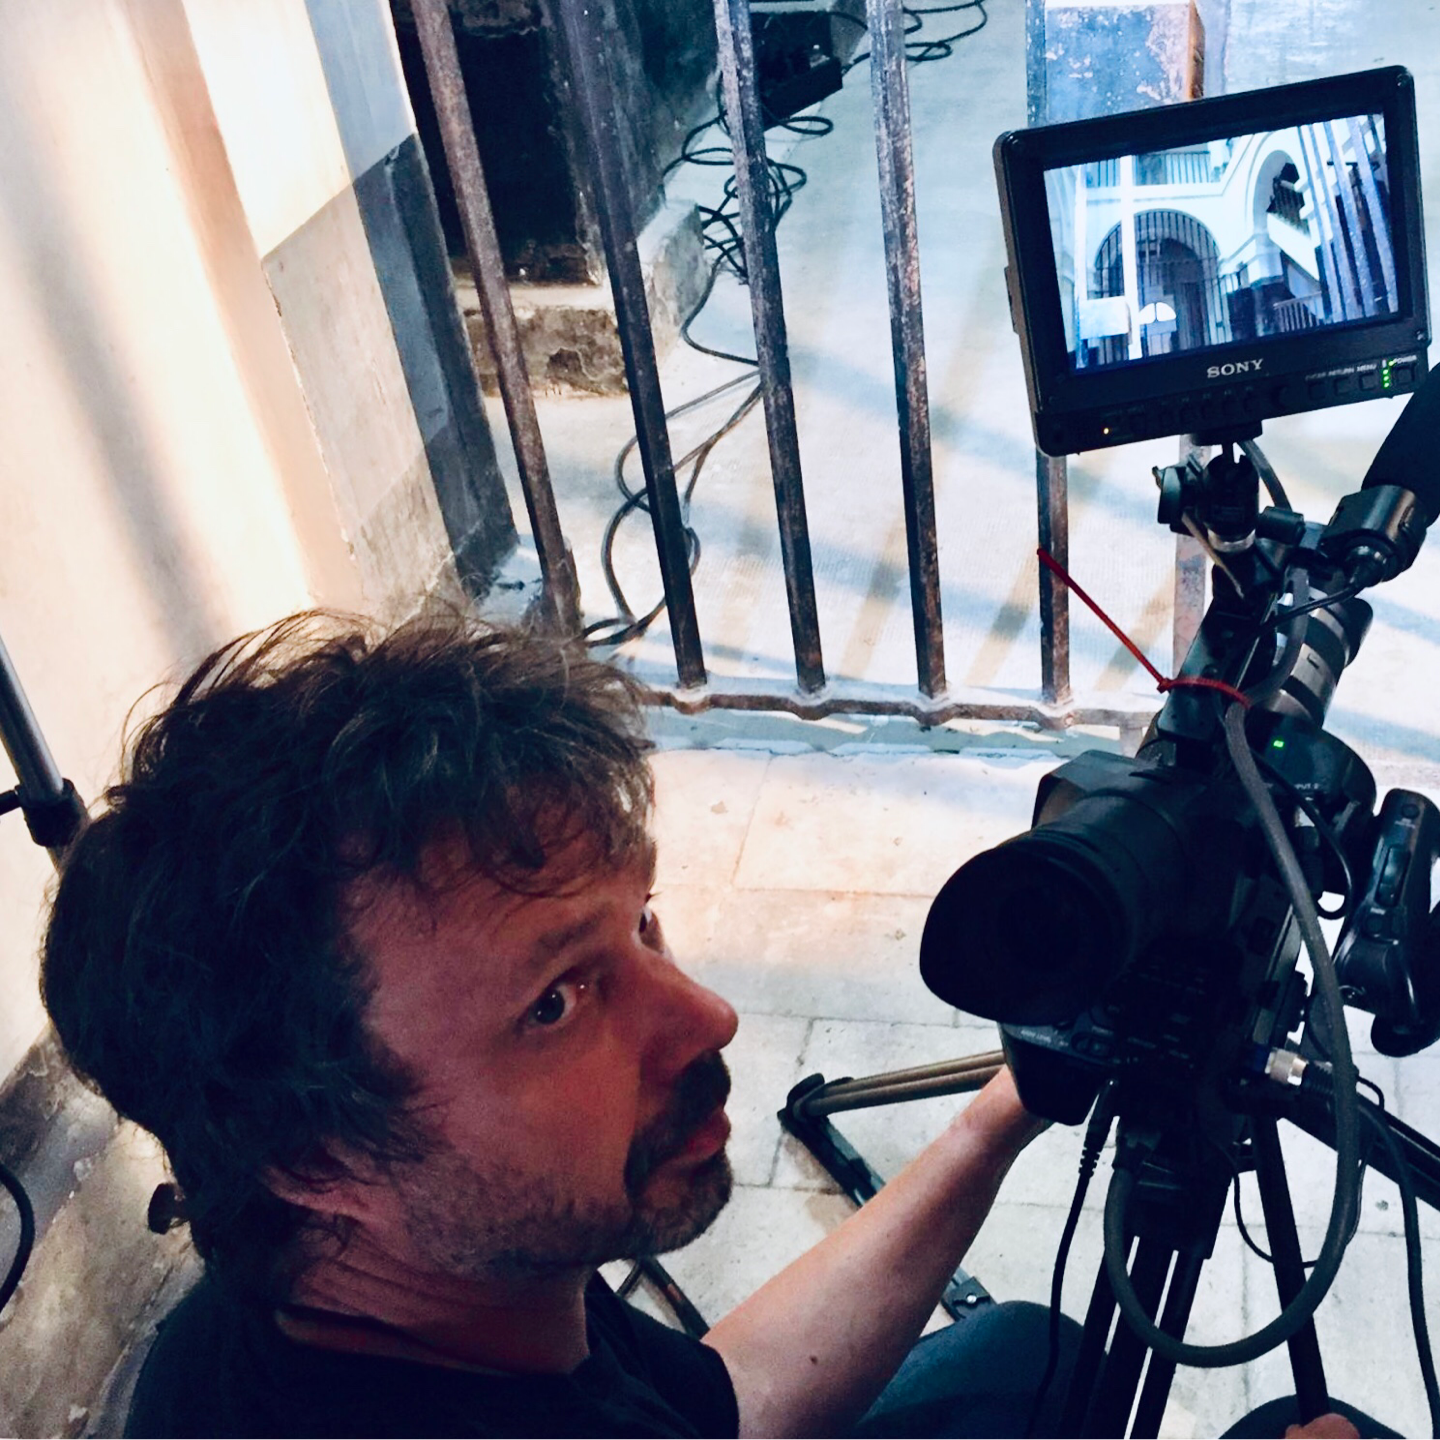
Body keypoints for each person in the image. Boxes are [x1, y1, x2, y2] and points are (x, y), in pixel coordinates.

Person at [39, 613, 1372, 1440]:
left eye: (643, 925)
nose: (708, 1016)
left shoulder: (353, 1302)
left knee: (1030, 1357)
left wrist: (1005, 1109)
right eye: (556, 1000)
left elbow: (714, 1407)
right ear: (314, 1152)